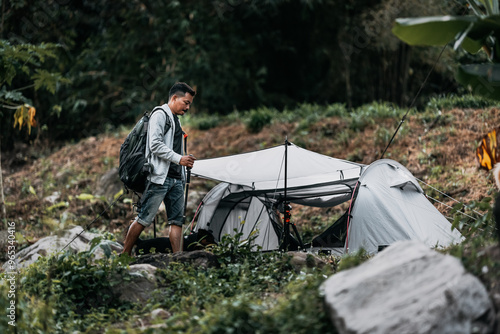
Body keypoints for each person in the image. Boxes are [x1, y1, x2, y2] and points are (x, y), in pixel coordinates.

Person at [122, 82, 196, 255]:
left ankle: (178, 260)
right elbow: (154, 144)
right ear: (174, 98)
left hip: (176, 178)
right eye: (186, 102)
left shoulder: (175, 120)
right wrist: (180, 159)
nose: (187, 107)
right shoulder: (160, 114)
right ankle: (124, 254)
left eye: (189, 104)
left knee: (177, 221)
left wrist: (182, 165)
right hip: (159, 178)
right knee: (144, 219)